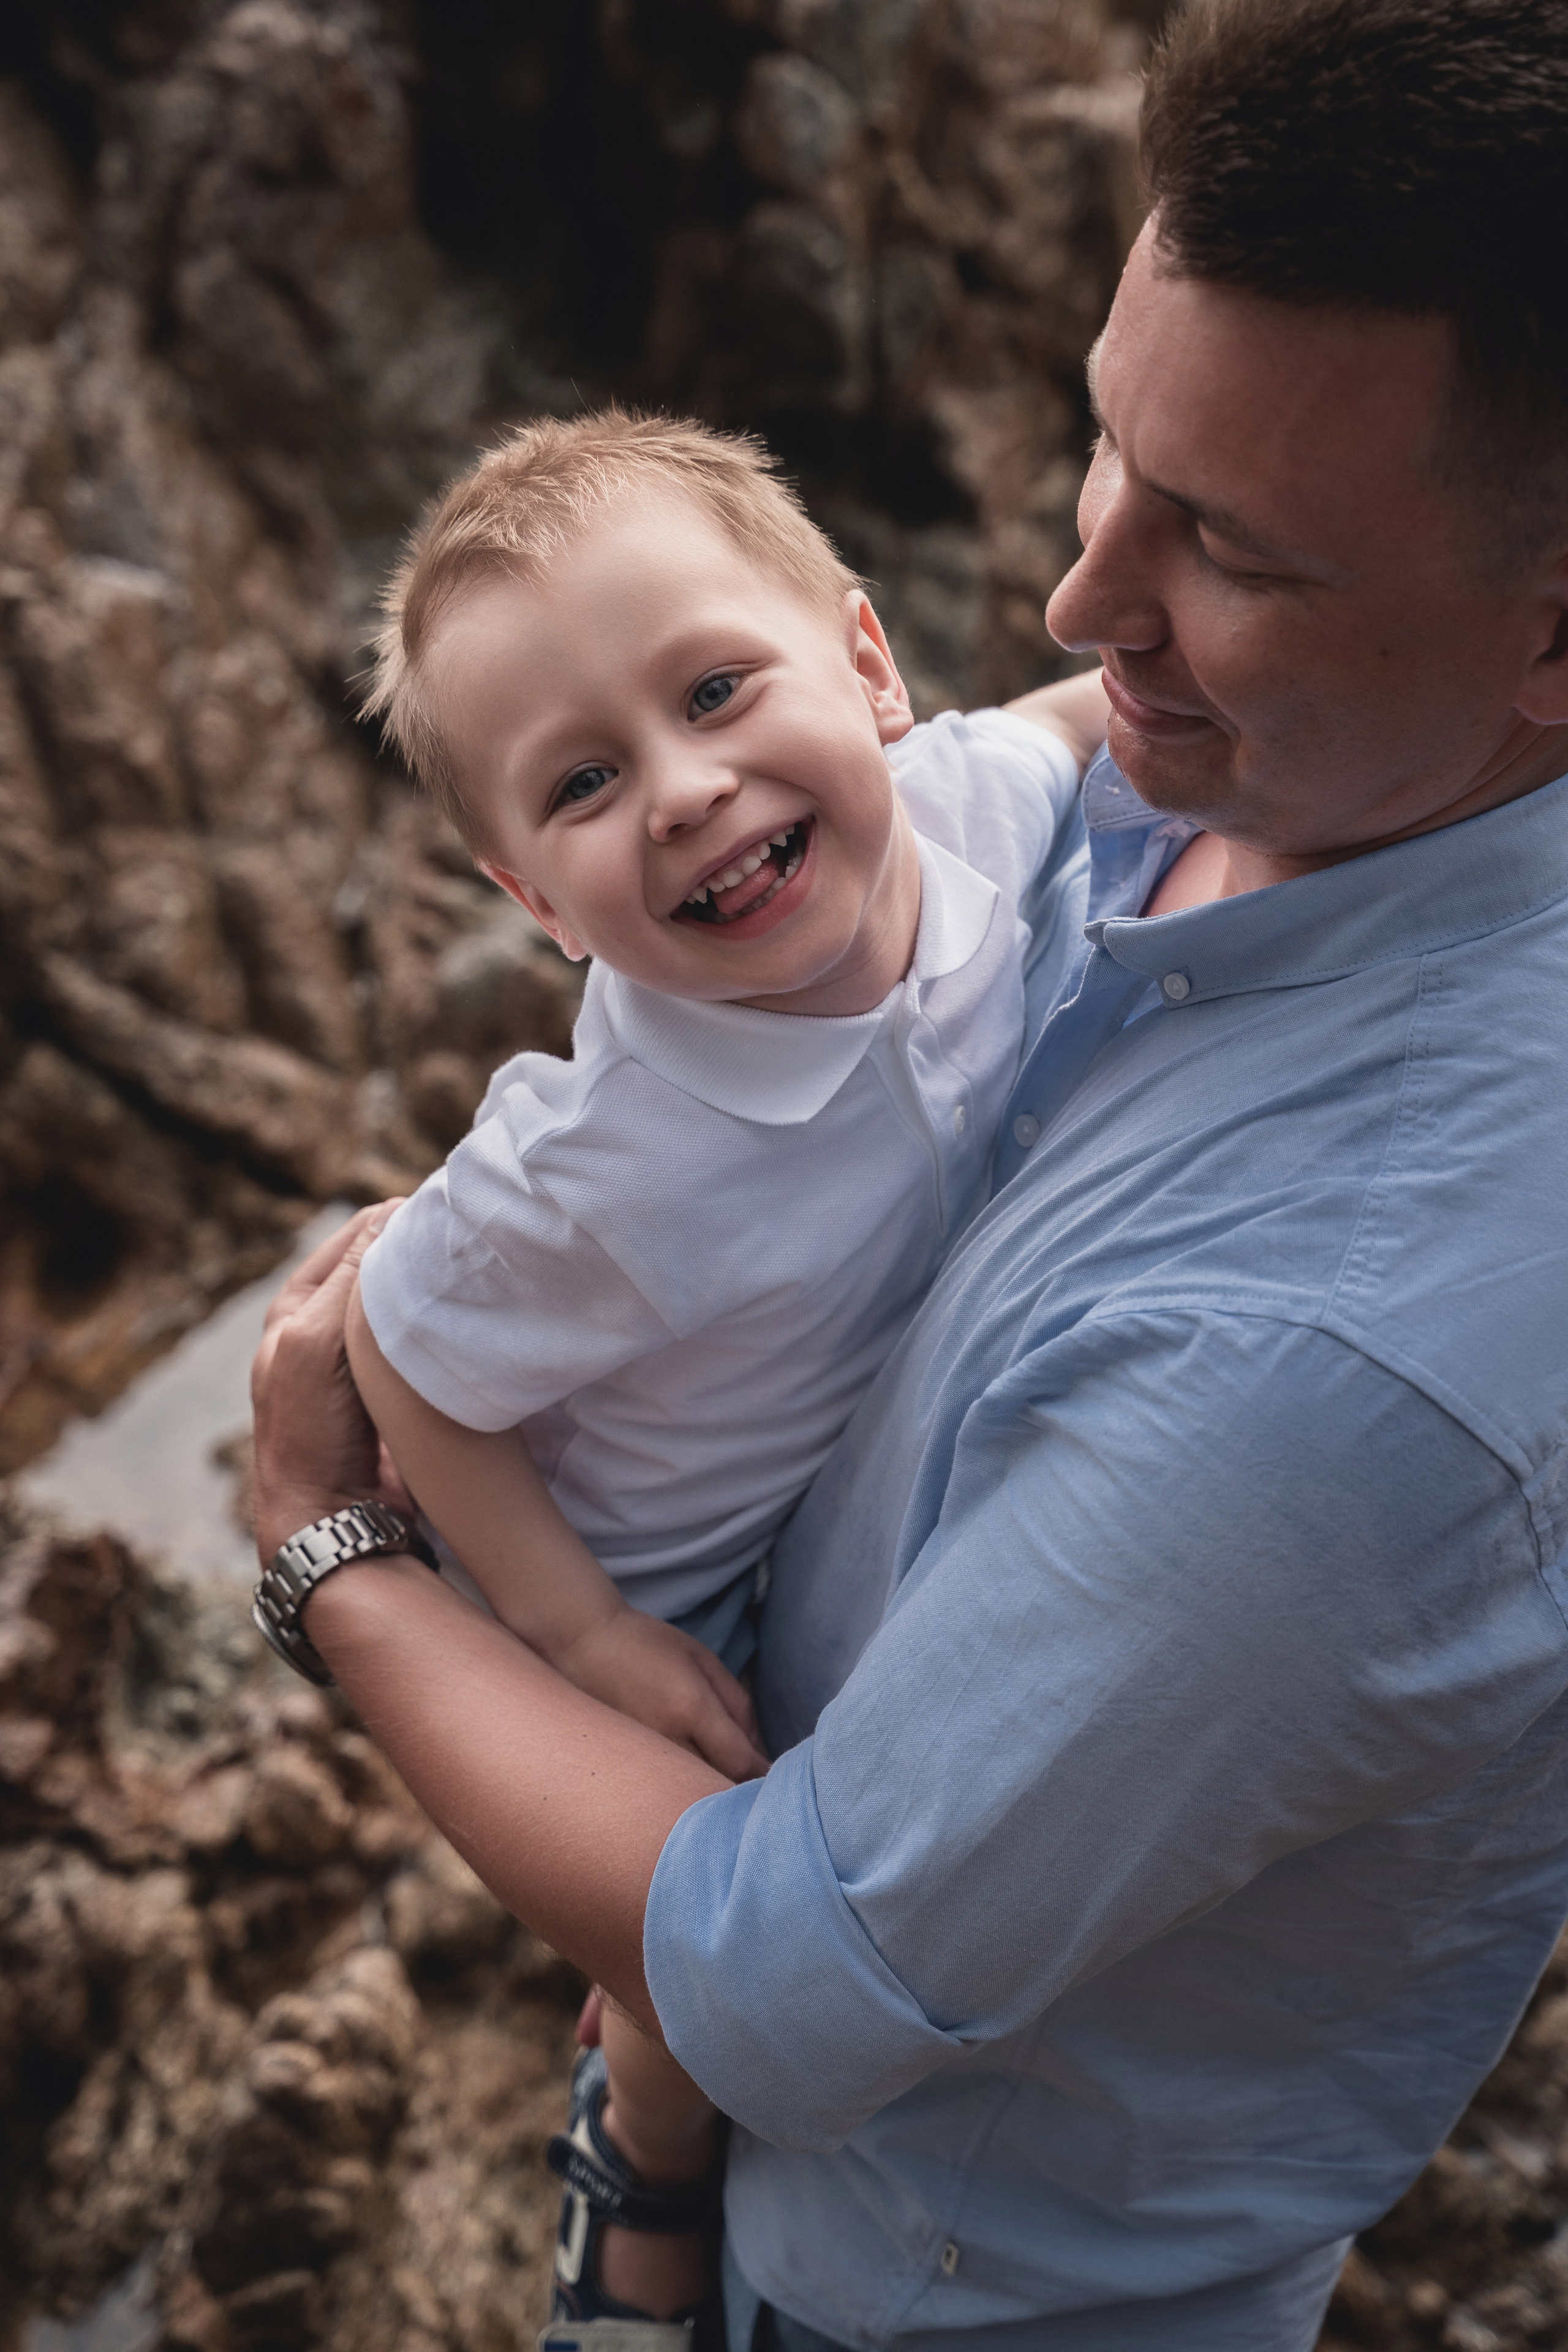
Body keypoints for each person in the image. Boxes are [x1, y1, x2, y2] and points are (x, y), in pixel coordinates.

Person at [250, 2, 1568, 2346]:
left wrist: (330, 1562)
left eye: (1233, 548)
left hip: (931, 2284)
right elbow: (1019, 737)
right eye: (1105, 453)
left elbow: (786, 1971)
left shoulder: (1337, 1374)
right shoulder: (1260, 762)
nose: (1083, 604)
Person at [336, 409, 1109, 2340]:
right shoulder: (598, 1169)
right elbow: (402, 1354)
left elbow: (1103, 715)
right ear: (530, 899)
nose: (682, 791)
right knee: (689, 1938)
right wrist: (584, 1632)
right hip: (651, 1563)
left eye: (714, 688)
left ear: (868, 665)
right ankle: (639, 2162)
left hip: (830, 1463)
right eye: (583, 782)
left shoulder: (974, 807)